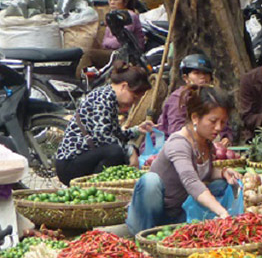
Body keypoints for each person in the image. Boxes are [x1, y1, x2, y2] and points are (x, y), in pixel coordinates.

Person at [125, 86, 241, 234]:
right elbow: (191, 181)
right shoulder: (179, 143)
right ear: (195, 118)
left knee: (222, 184)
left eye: (223, 122)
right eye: (213, 121)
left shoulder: (205, 142)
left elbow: (203, 171)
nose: (218, 128)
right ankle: (143, 236)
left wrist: (223, 172)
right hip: (148, 216)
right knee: (150, 181)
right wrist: (222, 213)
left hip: (175, 215)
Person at [54, 61, 154, 185]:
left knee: (120, 151)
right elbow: (103, 138)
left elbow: (115, 135)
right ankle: (94, 187)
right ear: (124, 86)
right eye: (134, 98)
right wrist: (130, 151)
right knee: (115, 152)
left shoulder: (110, 98)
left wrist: (137, 130)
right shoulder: (102, 98)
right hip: (70, 164)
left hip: (87, 157)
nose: (133, 103)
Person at [83, 0, 144, 69]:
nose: (112, 2)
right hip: (114, 51)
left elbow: (121, 41)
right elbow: (105, 39)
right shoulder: (113, 16)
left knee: (89, 54)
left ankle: (80, 80)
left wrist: (107, 45)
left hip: (128, 54)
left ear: (125, 1)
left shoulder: (129, 16)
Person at [157, 54, 215, 137]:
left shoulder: (212, 97)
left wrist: (226, 137)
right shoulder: (178, 98)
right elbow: (176, 130)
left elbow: (221, 123)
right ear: (185, 78)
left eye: (206, 73)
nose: (202, 77)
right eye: (197, 73)